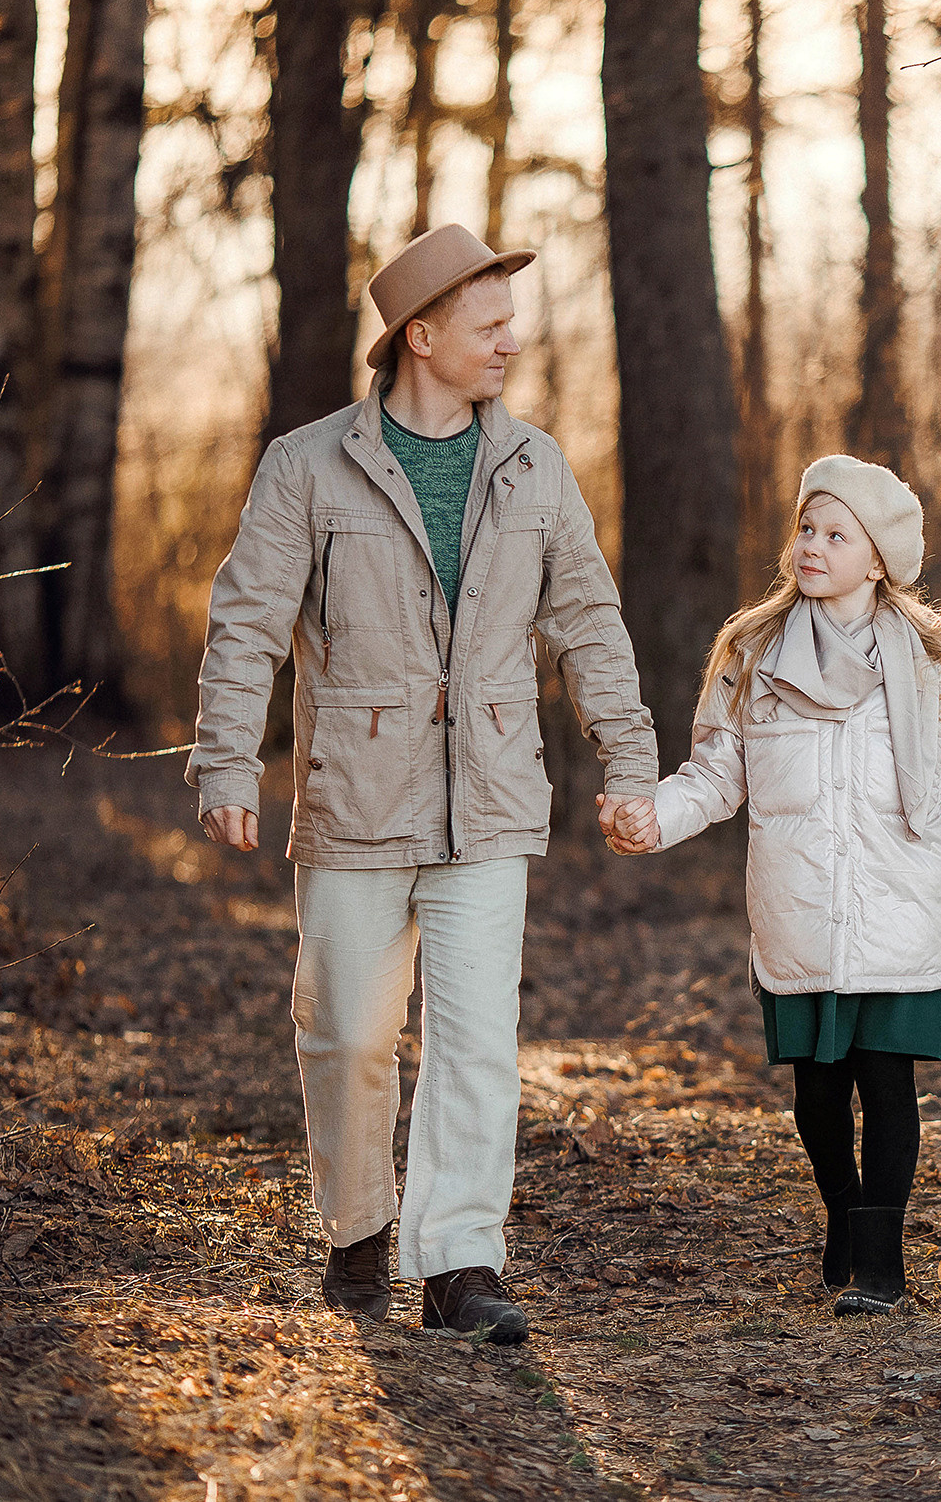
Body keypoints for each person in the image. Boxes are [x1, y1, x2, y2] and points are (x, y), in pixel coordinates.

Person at [190, 223, 661, 1344]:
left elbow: (589, 620)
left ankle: (460, 1260)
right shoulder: (308, 464)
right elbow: (248, 616)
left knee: (474, 1039)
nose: (511, 341)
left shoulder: (536, 465)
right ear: (421, 332)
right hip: (353, 794)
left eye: (511, 322)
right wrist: (225, 756)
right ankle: (357, 1226)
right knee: (348, 1030)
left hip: (492, 800)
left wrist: (630, 757)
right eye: (491, 324)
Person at [602, 456, 941, 1315]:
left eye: (837, 535)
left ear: (878, 561)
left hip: (901, 902)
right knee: (819, 1089)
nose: (812, 547)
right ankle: (845, 1218)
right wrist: (654, 816)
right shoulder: (752, 654)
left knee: (887, 1079)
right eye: (806, 528)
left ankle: (882, 1259)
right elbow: (716, 775)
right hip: (799, 905)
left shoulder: (933, 664)